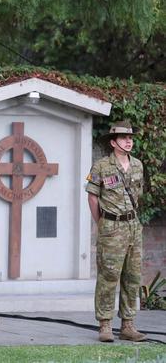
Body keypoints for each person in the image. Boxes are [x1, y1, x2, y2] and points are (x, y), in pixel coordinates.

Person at [86, 121, 147, 343]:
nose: (128, 141)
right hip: (111, 228)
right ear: (113, 142)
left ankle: (128, 325)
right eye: (123, 138)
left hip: (133, 227)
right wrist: (101, 222)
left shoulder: (138, 165)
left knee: (132, 277)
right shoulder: (101, 166)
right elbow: (92, 197)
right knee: (108, 277)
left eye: (130, 137)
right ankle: (105, 325)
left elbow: (138, 196)